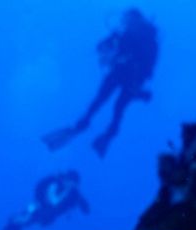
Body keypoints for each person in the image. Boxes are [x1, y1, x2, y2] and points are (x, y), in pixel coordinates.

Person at [42, 9, 158, 157]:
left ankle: (106, 135)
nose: (126, 23)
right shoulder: (122, 35)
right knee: (100, 101)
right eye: (126, 20)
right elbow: (100, 46)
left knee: (118, 108)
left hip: (134, 79)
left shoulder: (148, 39)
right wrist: (106, 50)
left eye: (129, 20)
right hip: (117, 74)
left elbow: (148, 64)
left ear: (137, 21)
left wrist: (129, 61)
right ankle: (83, 124)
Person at [0, 170, 90, 230]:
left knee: (22, 222)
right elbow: (53, 201)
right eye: (69, 183)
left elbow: (83, 205)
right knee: (21, 221)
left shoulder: (74, 193)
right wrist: (65, 193)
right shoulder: (54, 183)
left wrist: (82, 204)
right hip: (40, 209)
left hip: (47, 214)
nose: (70, 186)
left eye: (73, 185)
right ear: (66, 179)